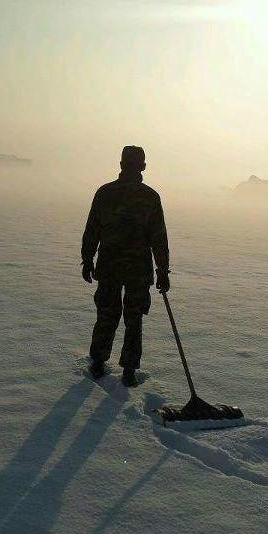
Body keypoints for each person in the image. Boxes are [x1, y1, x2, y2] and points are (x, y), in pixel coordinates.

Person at [81, 145, 170, 386]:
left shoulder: (105, 193)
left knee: (107, 314)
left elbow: (92, 230)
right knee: (133, 319)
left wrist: (87, 259)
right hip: (137, 271)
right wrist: (162, 270)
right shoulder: (150, 197)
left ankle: (99, 361)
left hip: (110, 266)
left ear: (121, 165)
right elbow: (158, 238)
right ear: (143, 166)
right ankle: (129, 368)